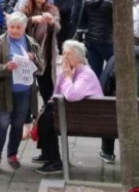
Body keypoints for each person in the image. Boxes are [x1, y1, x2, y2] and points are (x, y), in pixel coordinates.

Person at [34, 40, 103, 174]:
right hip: (73, 114)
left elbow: (71, 95)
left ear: (78, 57)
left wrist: (67, 77)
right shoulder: (70, 70)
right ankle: (48, 155)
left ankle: (55, 162)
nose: (64, 57)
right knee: (46, 116)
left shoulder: (85, 74)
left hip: (85, 118)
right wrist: (63, 76)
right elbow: (57, 93)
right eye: (63, 53)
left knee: (49, 120)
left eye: (68, 54)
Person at [0, 12, 44, 176]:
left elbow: (41, 67)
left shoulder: (31, 43)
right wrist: (6, 67)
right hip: (3, 92)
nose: (14, 30)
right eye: (11, 27)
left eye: (18, 27)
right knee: (2, 125)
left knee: (18, 125)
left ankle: (12, 154)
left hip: (24, 91)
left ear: (25, 27)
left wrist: (33, 57)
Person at [24, 0, 60, 108]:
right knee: (28, 86)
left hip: (46, 52)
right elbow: (16, 23)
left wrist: (51, 22)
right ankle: (31, 115)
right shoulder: (26, 9)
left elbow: (58, 28)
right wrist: (32, 20)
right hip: (27, 52)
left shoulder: (52, 9)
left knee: (47, 85)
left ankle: (49, 112)